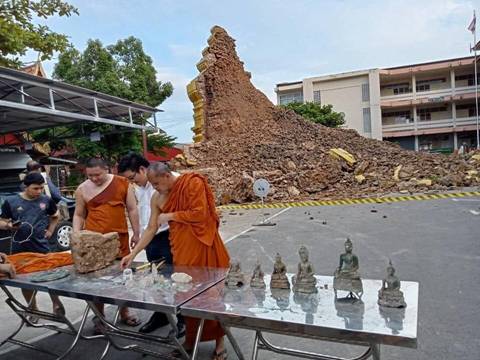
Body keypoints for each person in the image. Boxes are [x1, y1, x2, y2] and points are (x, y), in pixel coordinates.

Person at [120, 163, 230, 360]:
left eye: (156, 183)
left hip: (204, 246)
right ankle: (189, 341)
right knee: (186, 298)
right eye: (152, 184)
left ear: (167, 175)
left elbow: (200, 213)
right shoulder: (157, 198)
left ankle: (220, 344)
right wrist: (133, 253)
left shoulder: (192, 183)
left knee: (211, 298)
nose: (154, 188)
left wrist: (170, 216)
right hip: (181, 251)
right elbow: (151, 228)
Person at [117, 153, 184, 334]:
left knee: (178, 279)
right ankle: (162, 314)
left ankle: (184, 319)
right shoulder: (140, 187)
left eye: (133, 178)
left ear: (142, 169)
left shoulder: (172, 182)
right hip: (151, 237)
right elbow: (150, 222)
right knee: (158, 279)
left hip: (170, 236)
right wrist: (134, 251)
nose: (132, 182)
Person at [73, 157, 141, 328]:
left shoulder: (123, 183)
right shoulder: (82, 189)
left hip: (120, 239)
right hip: (93, 242)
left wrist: (137, 232)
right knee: (97, 280)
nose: (94, 179)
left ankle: (125, 311)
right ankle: (99, 315)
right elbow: (79, 214)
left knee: (122, 276)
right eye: (90, 176)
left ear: (107, 170)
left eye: (98, 175)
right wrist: (76, 235)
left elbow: (132, 209)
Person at [0, 172, 64, 318]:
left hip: (41, 247)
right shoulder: (11, 201)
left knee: (51, 277)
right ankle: (33, 309)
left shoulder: (46, 200)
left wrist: (50, 230)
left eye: (41, 188)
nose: (39, 191)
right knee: (25, 282)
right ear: (26, 186)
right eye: (35, 188)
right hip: (19, 248)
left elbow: (55, 216)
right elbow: (1, 221)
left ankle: (56, 303)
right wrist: (9, 225)